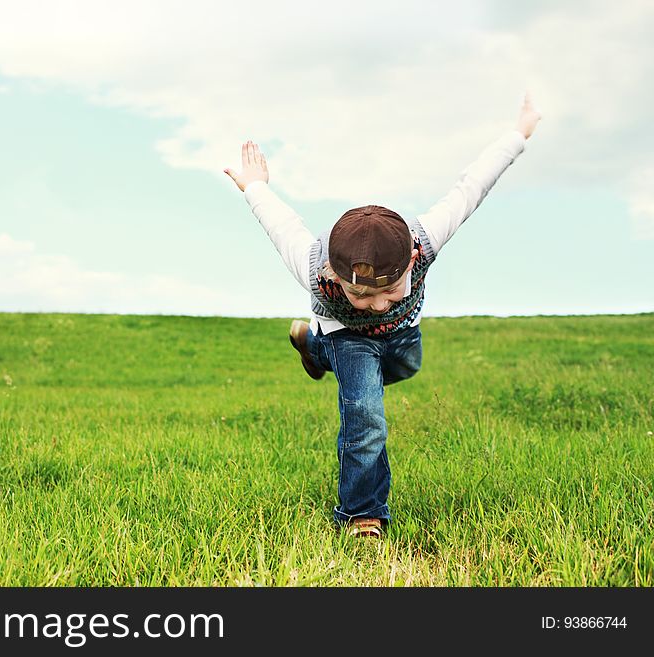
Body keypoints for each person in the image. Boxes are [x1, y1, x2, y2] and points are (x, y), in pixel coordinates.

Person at [224, 93, 542, 538]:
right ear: (335, 272)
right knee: (366, 416)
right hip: (347, 338)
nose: (376, 305)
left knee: (408, 367)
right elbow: (281, 222)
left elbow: (472, 186)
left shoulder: (425, 240)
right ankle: (362, 514)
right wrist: (254, 185)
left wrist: (519, 132)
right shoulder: (311, 264)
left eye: (391, 290)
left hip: (403, 338)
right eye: (361, 294)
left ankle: (314, 351)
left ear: (410, 264)